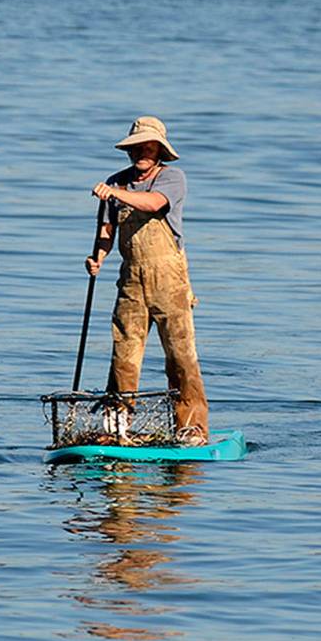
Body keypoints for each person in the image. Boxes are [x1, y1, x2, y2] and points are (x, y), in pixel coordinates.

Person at [87, 116, 209, 445]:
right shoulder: (118, 182)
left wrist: (113, 193)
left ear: (159, 150)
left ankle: (192, 428)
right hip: (130, 280)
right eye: (137, 146)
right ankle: (117, 426)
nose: (142, 151)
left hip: (169, 279)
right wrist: (98, 256)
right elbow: (106, 231)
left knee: (180, 354)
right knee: (124, 354)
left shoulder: (172, 178)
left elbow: (153, 204)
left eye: (148, 146)